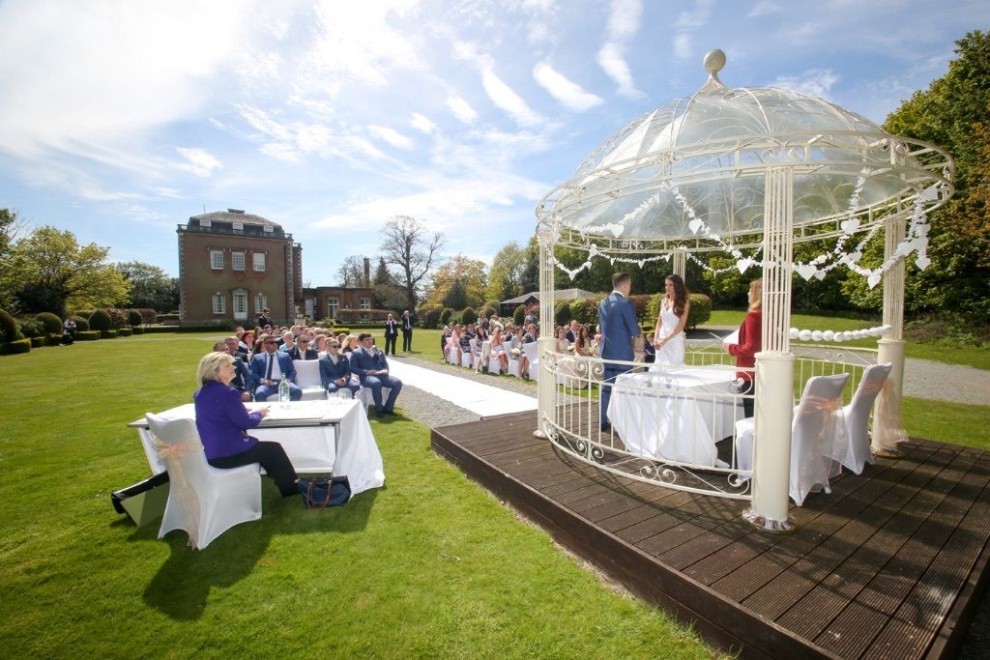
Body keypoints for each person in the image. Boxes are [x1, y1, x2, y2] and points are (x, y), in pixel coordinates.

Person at [193, 352, 303, 498]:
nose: (233, 367)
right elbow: (246, 422)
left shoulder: (200, 393)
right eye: (227, 366)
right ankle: (292, 488)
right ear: (214, 371)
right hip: (228, 453)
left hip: (213, 453)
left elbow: (220, 412)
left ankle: (285, 483)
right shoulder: (227, 393)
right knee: (273, 450)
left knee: (268, 450)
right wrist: (260, 413)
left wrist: (241, 410)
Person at [598, 271, 641, 432]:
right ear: (624, 285)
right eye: (629, 285)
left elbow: (602, 327)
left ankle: (603, 420)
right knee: (623, 389)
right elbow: (634, 330)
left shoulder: (603, 303)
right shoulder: (625, 304)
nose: (630, 288)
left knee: (606, 387)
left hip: (607, 352)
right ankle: (622, 422)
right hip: (622, 354)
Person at [726, 278, 763, 418]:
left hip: (750, 372)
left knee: (751, 414)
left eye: (750, 290)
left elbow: (751, 348)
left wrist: (730, 348)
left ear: (756, 293)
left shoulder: (754, 315)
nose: (748, 293)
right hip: (760, 372)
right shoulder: (766, 314)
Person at [349, 333, 403, 416]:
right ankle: (379, 409)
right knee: (376, 383)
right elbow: (353, 368)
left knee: (397, 382)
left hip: (382, 375)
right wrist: (366, 372)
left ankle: (388, 408)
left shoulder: (378, 351)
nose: (370, 341)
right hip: (367, 377)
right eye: (367, 340)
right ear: (361, 342)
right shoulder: (356, 353)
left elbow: (385, 364)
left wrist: (385, 370)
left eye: (370, 339)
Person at [249, 333, 303, 402]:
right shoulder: (258, 358)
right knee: (259, 394)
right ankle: (266, 409)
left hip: (283, 383)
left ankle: (289, 407)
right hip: (266, 385)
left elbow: (293, 371)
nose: (274, 344)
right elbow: (253, 373)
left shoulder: (285, 356)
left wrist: (288, 380)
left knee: (297, 391)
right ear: (265, 345)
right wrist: (264, 381)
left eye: (275, 342)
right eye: (271, 342)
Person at [651, 274, 690, 367]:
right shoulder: (663, 301)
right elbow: (659, 321)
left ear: (677, 286)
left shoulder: (684, 302)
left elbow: (681, 324)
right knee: (659, 366)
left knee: (673, 367)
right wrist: (656, 338)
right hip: (661, 341)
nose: (667, 287)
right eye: (666, 285)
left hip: (674, 340)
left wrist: (665, 340)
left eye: (670, 285)